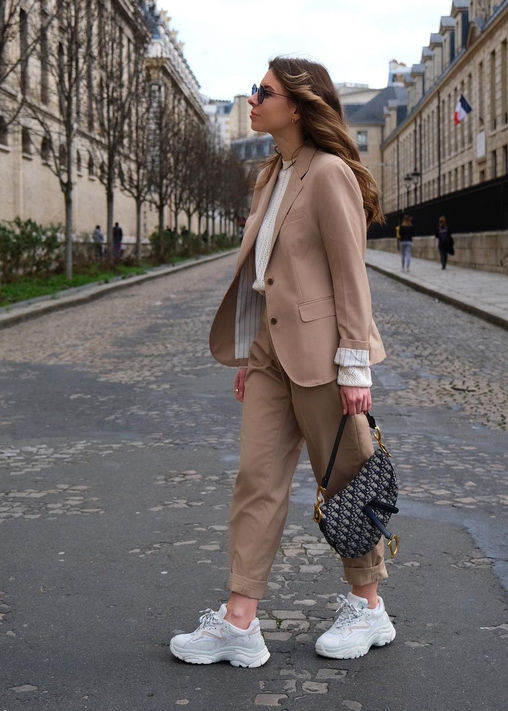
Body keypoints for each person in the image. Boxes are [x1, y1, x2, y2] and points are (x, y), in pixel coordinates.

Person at [170, 57, 395, 668]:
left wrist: (355, 368)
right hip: (270, 353)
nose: (252, 99)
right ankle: (239, 622)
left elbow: (350, 275)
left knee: (345, 479)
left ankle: (369, 607)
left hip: (324, 356)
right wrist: (251, 351)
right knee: (256, 480)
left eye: (262, 91)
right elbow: (262, 273)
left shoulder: (328, 173)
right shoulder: (271, 174)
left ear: (296, 105)